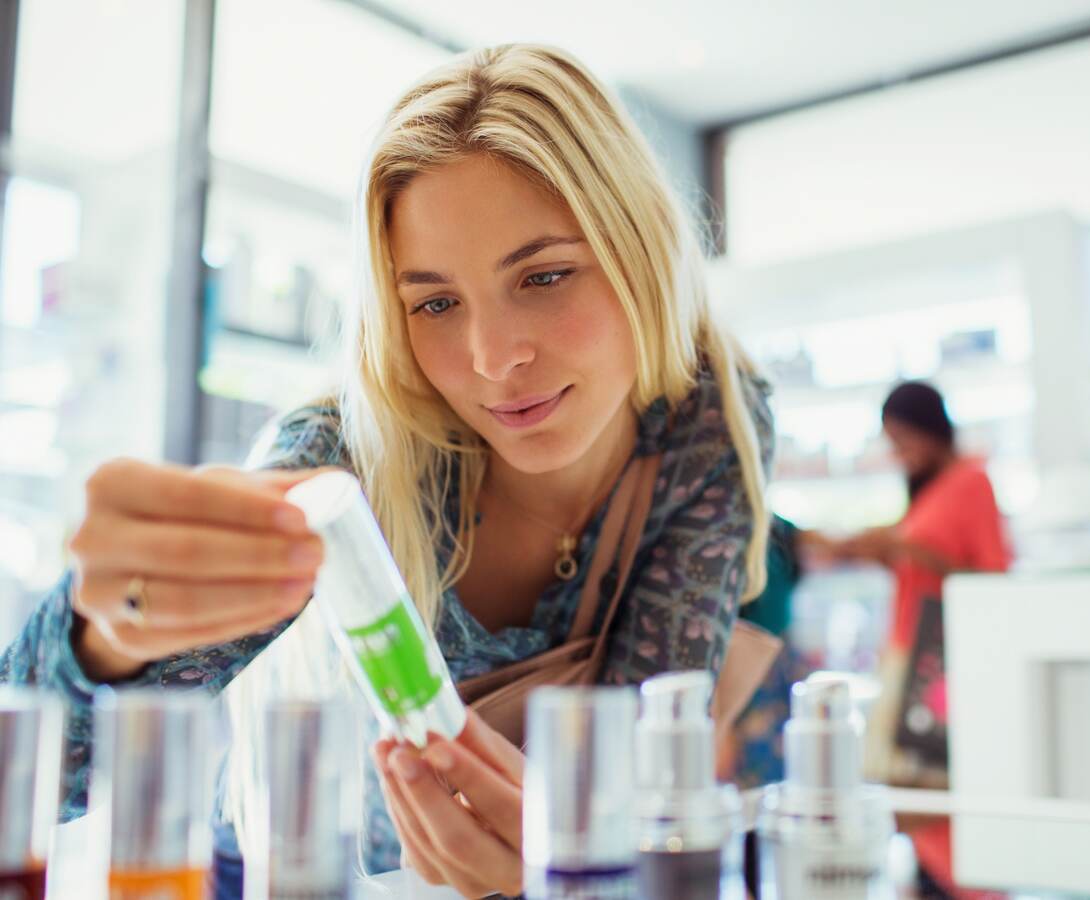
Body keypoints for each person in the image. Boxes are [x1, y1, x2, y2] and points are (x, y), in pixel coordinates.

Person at [0, 45, 774, 899]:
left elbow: (645, 765)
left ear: (641, 251)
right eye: (435, 303)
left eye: (545, 276)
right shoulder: (339, 469)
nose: (491, 359)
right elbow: (47, 775)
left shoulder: (710, 423)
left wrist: (550, 871)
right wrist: (103, 637)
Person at [835, 380, 1010, 899]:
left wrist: (910, 550)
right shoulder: (933, 489)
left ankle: (971, 886)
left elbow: (991, 580)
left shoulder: (971, 481)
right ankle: (945, 882)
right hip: (912, 655)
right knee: (911, 794)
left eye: (904, 439)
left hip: (942, 668)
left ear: (931, 431)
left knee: (925, 793)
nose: (899, 454)